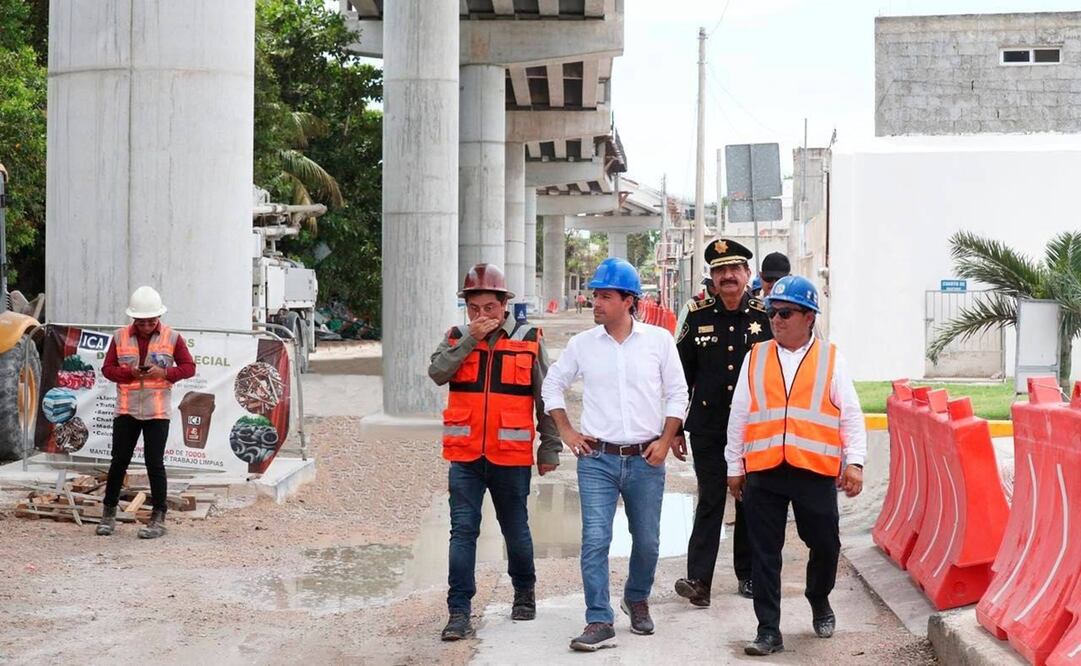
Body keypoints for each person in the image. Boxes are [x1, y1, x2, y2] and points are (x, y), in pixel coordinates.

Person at [541, 257, 688, 652]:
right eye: (595, 296)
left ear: (629, 301)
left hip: (646, 459)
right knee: (594, 539)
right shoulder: (581, 346)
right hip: (597, 461)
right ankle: (598, 619)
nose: (596, 303)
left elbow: (678, 393)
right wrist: (567, 431)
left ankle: (636, 598)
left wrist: (665, 437)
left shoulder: (658, 341)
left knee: (648, 540)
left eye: (605, 296)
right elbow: (551, 387)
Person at [725, 275, 866, 656]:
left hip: (813, 471)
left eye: (785, 312)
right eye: (773, 312)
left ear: (809, 317)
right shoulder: (755, 357)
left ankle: (819, 598)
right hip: (765, 471)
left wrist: (854, 462)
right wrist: (734, 466)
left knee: (825, 544)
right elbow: (739, 414)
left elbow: (850, 415)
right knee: (763, 553)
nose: (776, 319)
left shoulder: (830, 358)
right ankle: (768, 630)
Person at [428, 263, 562, 641]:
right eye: (474, 308)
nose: (482, 315)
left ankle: (524, 593)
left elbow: (545, 396)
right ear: (466, 309)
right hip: (466, 457)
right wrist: (469, 338)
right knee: (462, 532)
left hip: (511, 456)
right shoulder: (456, 337)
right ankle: (458, 612)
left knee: (515, 528)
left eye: (489, 307)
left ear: (504, 305)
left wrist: (549, 446)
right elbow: (438, 372)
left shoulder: (529, 338)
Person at [673, 238, 771, 607]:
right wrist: (675, 426)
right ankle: (699, 580)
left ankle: (747, 575)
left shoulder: (765, 315)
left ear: (747, 274)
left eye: (734, 269)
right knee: (711, 499)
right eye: (720, 270)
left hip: (754, 428)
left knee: (750, 498)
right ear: (712, 278)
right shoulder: (696, 314)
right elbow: (678, 376)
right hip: (709, 426)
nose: (727, 276)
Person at [98, 286, 196, 539]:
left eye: (152, 321)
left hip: (157, 412)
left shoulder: (172, 337)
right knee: (119, 462)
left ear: (158, 317)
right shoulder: (119, 337)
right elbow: (107, 369)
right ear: (134, 319)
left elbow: (189, 367)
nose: (147, 326)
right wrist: (129, 373)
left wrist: (166, 373)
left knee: (155, 464)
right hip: (126, 410)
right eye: (143, 322)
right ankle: (108, 514)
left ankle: (158, 518)